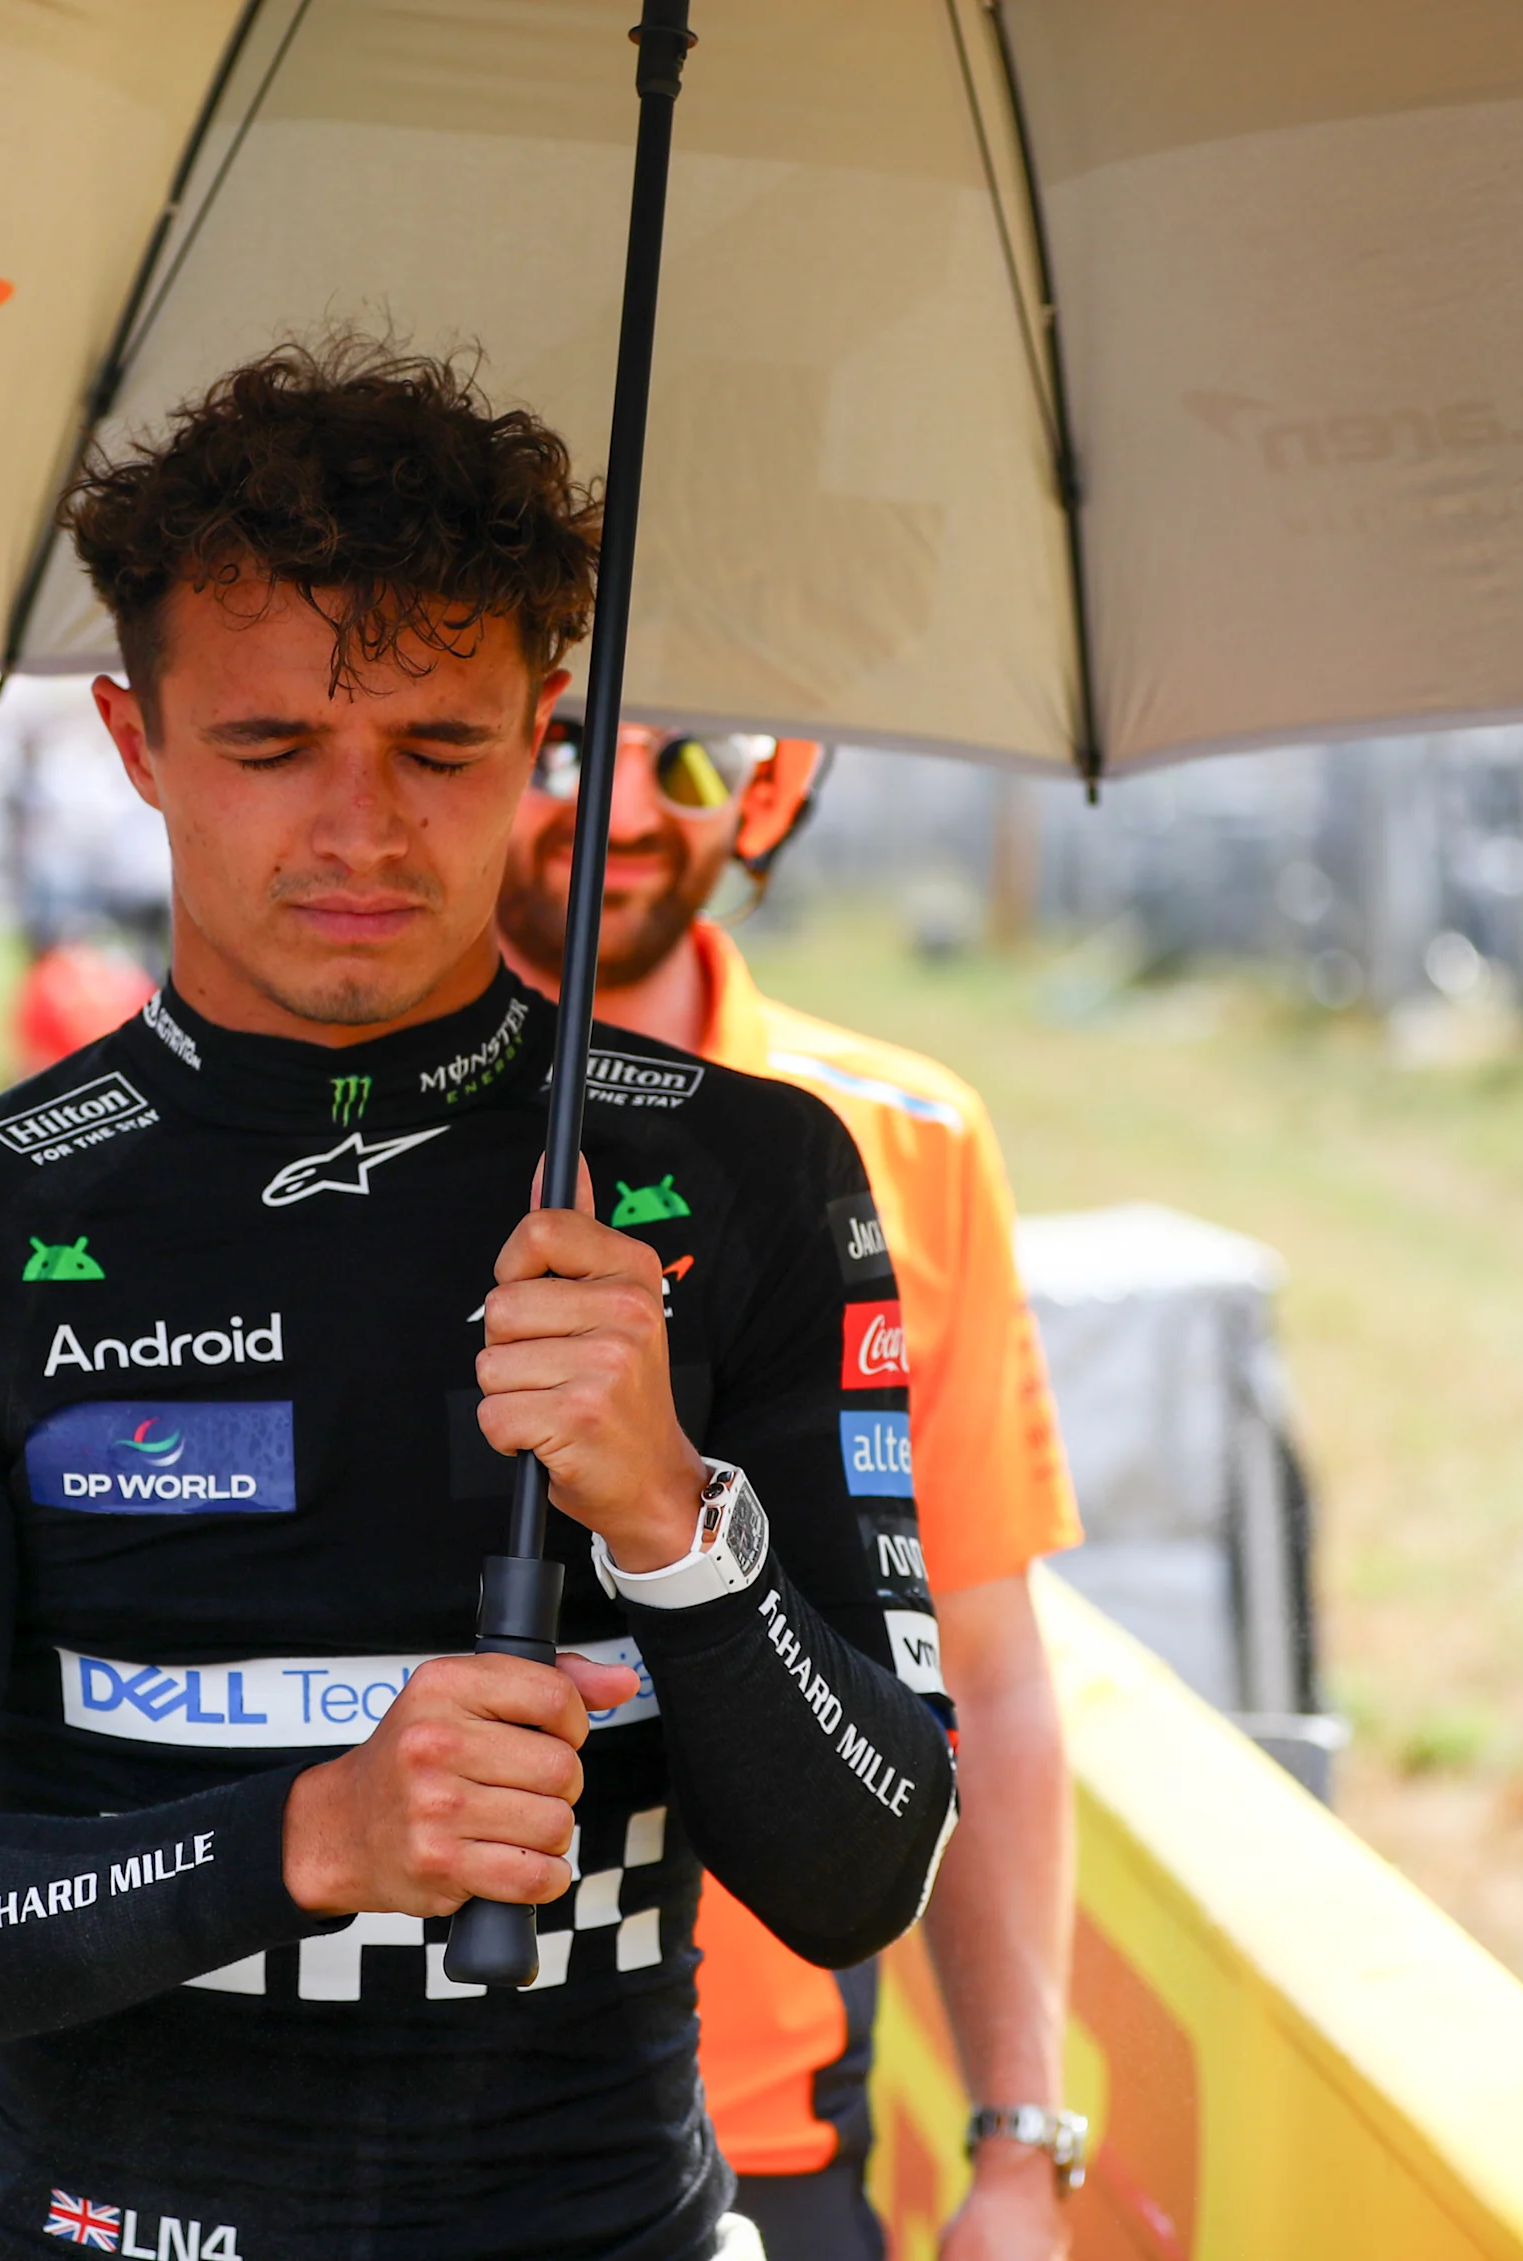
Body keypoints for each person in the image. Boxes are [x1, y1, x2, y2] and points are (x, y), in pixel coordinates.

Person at [0, 342, 956, 2261]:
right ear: (134, 738)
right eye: (267, 748)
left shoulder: (746, 1174)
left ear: (544, 729)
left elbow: (865, 1872)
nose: (359, 831)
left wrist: (671, 1522)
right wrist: (313, 1835)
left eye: (438, 748)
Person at [498, 722, 1087, 2261]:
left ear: (775, 786)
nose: (623, 806)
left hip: (764, 2138)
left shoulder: (911, 1143)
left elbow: (987, 1667)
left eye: (689, 759)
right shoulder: (322, 1134)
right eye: (564, 747)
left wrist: (1019, 2147)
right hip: (364, 2141)